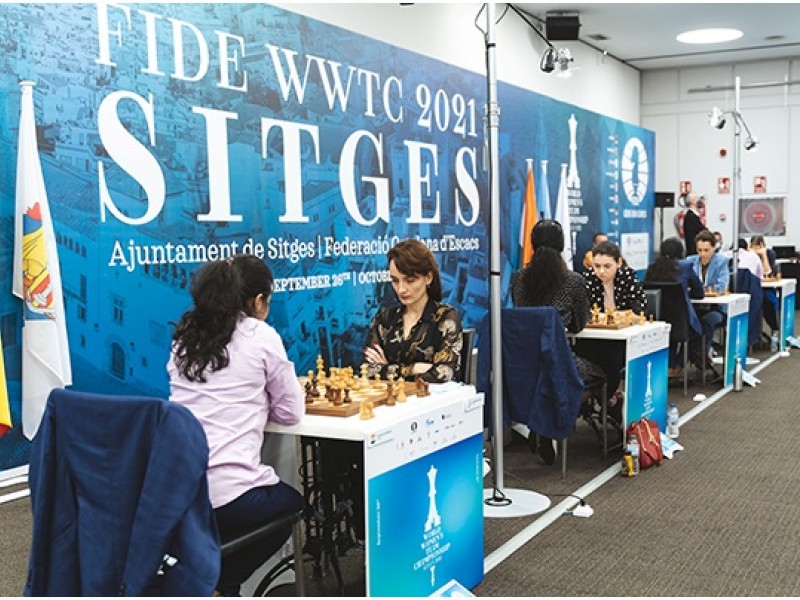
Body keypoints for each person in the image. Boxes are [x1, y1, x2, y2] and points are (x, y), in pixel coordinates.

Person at [168, 254, 305, 597]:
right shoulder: (259, 335)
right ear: (258, 301)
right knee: (293, 504)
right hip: (231, 496)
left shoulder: (183, 339)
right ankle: (222, 584)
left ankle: (209, 580)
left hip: (178, 491)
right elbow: (291, 412)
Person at [510, 220, 606, 464]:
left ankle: (541, 420)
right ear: (562, 246)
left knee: (552, 375)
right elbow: (580, 324)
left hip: (525, 365)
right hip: (558, 363)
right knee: (602, 372)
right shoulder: (573, 281)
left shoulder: (518, 279)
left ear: (532, 244)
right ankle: (551, 421)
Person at [365, 238, 463, 382]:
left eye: (410, 280)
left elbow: (443, 374)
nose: (401, 289)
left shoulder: (446, 318)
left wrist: (388, 368)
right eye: (395, 280)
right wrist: (413, 368)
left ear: (428, 278)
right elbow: (368, 371)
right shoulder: (384, 318)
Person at [580, 240, 647, 423]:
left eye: (607, 266)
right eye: (597, 266)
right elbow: (584, 311)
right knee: (585, 353)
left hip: (622, 339)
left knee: (612, 357)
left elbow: (639, 309)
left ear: (619, 262)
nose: (601, 271)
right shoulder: (588, 278)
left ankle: (605, 398)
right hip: (595, 338)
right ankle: (604, 398)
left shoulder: (627, 276)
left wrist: (618, 316)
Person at [644, 237, 706, 377]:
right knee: (700, 330)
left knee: (672, 335)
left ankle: (667, 366)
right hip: (680, 320)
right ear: (681, 252)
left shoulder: (652, 268)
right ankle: (677, 365)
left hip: (656, 319)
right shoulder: (685, 267)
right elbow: (699, 293)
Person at [686, 230, 730, 369]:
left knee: (707, 321)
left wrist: (700, 290)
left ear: (714, 248)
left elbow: (722, 286)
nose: (702, 254)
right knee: (687, 321)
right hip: (695, 307)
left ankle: (701, 356)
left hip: (716, 308)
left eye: (706, 250)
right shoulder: (690, 261)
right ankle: (691, 356)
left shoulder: (721, 261)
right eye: (699, 250)